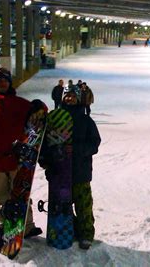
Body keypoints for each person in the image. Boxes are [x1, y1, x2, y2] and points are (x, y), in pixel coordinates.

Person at [0, 67, 45, 238]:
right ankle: (4, 222)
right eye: (0, 81)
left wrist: (38, 106)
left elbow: (39, 115)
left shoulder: (20, 103)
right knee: (1, 195)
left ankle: (27, 225)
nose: (3, 84)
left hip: (17, 159)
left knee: (20, 193)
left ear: (9, 83)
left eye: (6, 81)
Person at [40, 87, 101, 250]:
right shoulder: (53, 119)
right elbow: (45, 143)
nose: (69, 99)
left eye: (73, 96)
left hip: (80, 171)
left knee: (83, 205)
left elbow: (94, 144)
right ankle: (68, 229)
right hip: (59, 171)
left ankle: (86, 234)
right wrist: (45, 161)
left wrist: (76, 149)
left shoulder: (86, 120)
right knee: (62, 205)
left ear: (78, 98)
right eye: (67, 96)